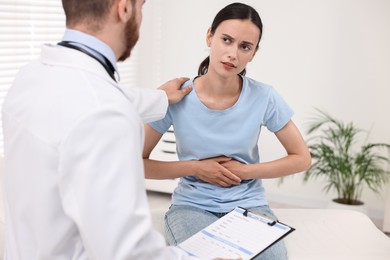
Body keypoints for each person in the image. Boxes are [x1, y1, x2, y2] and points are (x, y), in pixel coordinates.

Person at [1, 0, 233, 259]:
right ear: (124, 8)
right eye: (141, 6)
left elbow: (87, 95)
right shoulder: (105, 115)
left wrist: (160, 97)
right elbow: (128, 253)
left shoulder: (31, 76)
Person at [143, 2, 312, 260]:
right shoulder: (176, 96)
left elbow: (301, 158)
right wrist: (195, 168)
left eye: (245, 46)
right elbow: (137, 163)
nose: (233, 54)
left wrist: (245, 171)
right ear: (210, 36)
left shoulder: (264, 96)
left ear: (253, 53)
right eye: (226, 40)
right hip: (191, 206)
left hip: (249, 205)